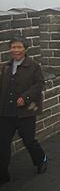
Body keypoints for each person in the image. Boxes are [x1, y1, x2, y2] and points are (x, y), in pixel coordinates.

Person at [0, 36, 48, 185]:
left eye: (19, 47)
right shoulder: (6, 67)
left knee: (28, 140)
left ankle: (41, 160)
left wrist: (25, 97)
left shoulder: (33, 66)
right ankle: (3, 174)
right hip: (6, 112)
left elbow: (39, 84)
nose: (16, 50)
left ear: (25, 49)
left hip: (25, 112)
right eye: (13, 47)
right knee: (2, 143)